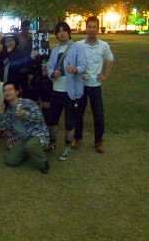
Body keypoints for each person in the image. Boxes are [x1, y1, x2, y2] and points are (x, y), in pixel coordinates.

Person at [45, 21, 87, 162]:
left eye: (64, 30)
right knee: (53, 120)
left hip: (71, 91)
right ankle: (52, 144)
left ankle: (67, 147)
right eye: (59, 31)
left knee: (70, 121)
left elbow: (83, 65)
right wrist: (53, 73)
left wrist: (75, 69)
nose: (61, 33)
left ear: (69, 32)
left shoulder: (77, 48)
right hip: (57, 90)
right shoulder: (55, 51)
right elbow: (49, 68)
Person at [73, 16, 114, 153]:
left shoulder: (103, 45)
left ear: (97, 29)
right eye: (89, 27)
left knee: (98, 114)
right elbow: (73, 61)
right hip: (81, 85)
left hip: (95, 85)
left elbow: (110, 60)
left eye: (94, 27)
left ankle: (98, 141)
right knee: (78, 112)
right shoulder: (78, 45)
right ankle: (77, 138)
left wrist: (105, 75)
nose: (91, 29)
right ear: (86, 28)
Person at [0, 81, 50, 174]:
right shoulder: (8, 109)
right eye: (5, 91)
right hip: (22, 137)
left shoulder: (28, 103)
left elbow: (40, 118)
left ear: (17, 92)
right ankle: (29, 151)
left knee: (31, 145)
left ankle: (43, 163)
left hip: (36, 133)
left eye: (10, 90)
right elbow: (3, 128)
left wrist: (25, 113)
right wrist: (1, 112)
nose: (7, 92)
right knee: (10, 161)